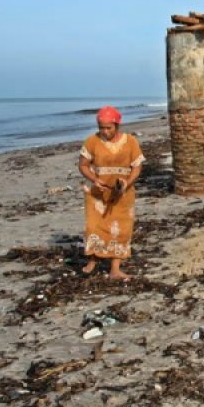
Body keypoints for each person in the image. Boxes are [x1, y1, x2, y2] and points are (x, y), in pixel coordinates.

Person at [78, 106, 145, 280]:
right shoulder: (92, 141)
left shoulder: (130, 141)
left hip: (123, 193)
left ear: (117, 125)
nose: (104, 131)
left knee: (120, 230)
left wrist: (127, 182)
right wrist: (94, 179)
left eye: (108, 128)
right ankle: (93, 259)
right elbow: (83, 165)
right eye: (101, 127)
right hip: (99, 193)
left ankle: (115, 268)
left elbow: (137, 166)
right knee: (94, 226)